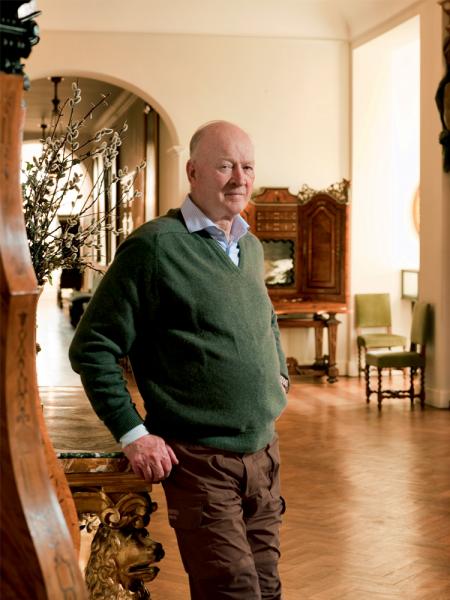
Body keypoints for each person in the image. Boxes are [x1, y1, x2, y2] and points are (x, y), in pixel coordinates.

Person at [69, 120, 289, 600]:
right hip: (201, 461)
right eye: (225, 166)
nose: (240, 179)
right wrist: (133, 434)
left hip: (263, 456)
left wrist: (279, 378)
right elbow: (93, 347)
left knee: (267, 589)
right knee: (231, 592)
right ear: (193, 171)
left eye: (248, 167)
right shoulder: (154, 247)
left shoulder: (249, 246)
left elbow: (267, 320)